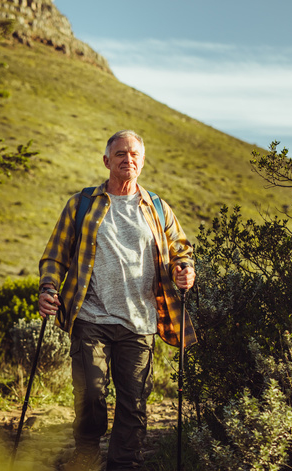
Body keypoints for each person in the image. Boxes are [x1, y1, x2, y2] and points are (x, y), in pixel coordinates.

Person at [38, 130, 196, 471]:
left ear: (142, 161)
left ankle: (124, 463)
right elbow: (55, 255)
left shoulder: (157, 208)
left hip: (140, 321)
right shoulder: (81, 204)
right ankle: (86, 452)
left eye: (134, 154)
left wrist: (185, 270)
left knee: (134, 402)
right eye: (121, 154)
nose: (128, 159)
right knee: (91, 394)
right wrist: (48, 288)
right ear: (107, 161)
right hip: (91, 317)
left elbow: (180, 250)